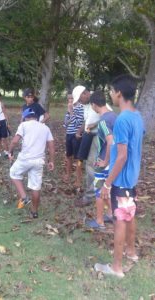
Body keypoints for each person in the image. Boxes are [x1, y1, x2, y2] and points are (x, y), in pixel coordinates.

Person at [94, 75, 144, 278]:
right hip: (131, 178)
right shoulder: (137, 116)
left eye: (112, 91)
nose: (111, 95)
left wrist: (107, 184)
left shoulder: (122, 119)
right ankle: (131, 252)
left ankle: (116, 267)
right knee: (129, 214)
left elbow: (122, 156)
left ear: (119, 94)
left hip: (121, 179)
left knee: (120, 220)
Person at [9, 108, 55, 218]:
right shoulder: (45, 128)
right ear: (36, 117)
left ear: (25, 117)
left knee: (13, 173)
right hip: (39, 161)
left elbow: (15, 141)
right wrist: (51, 161)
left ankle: (24, 197)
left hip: (25, 159)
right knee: (36, 187)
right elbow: (52, 147)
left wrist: (10, 151)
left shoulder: (23, 125)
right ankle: (34, 212)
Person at [85, 90, 117, 230]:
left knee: (99, 190)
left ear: (93, 104)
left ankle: (99, 222)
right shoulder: (113, 116)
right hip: (114, 161)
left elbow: (110, 141)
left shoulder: (103, 120)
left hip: (104, 161)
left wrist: (105, 161)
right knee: (106, 189)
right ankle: (110, 214)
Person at [74, 86, 100, 206]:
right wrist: (80, 130)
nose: (79, 101)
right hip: (88, 135)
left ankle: (91, 195)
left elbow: (106, 117)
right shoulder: (87, 106)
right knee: (86, 163)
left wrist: (92, 127)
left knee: (91, 165)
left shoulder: (97, 101)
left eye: (80, 98)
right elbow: (87, 120)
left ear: (85, 94)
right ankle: (93, 192)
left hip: (97, 136)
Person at [63, 91, 84, 188]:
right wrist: (69, 112)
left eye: (72, 98)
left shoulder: (80, 108)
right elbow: (65, 124)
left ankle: (78, 179)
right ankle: (68, 174)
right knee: (68, 156)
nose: (70, 101)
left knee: (78, 158)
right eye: (69, 99)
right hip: (69, 134)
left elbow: (78, 124)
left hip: (76, 135)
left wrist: (71, 112)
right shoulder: (69, 108)